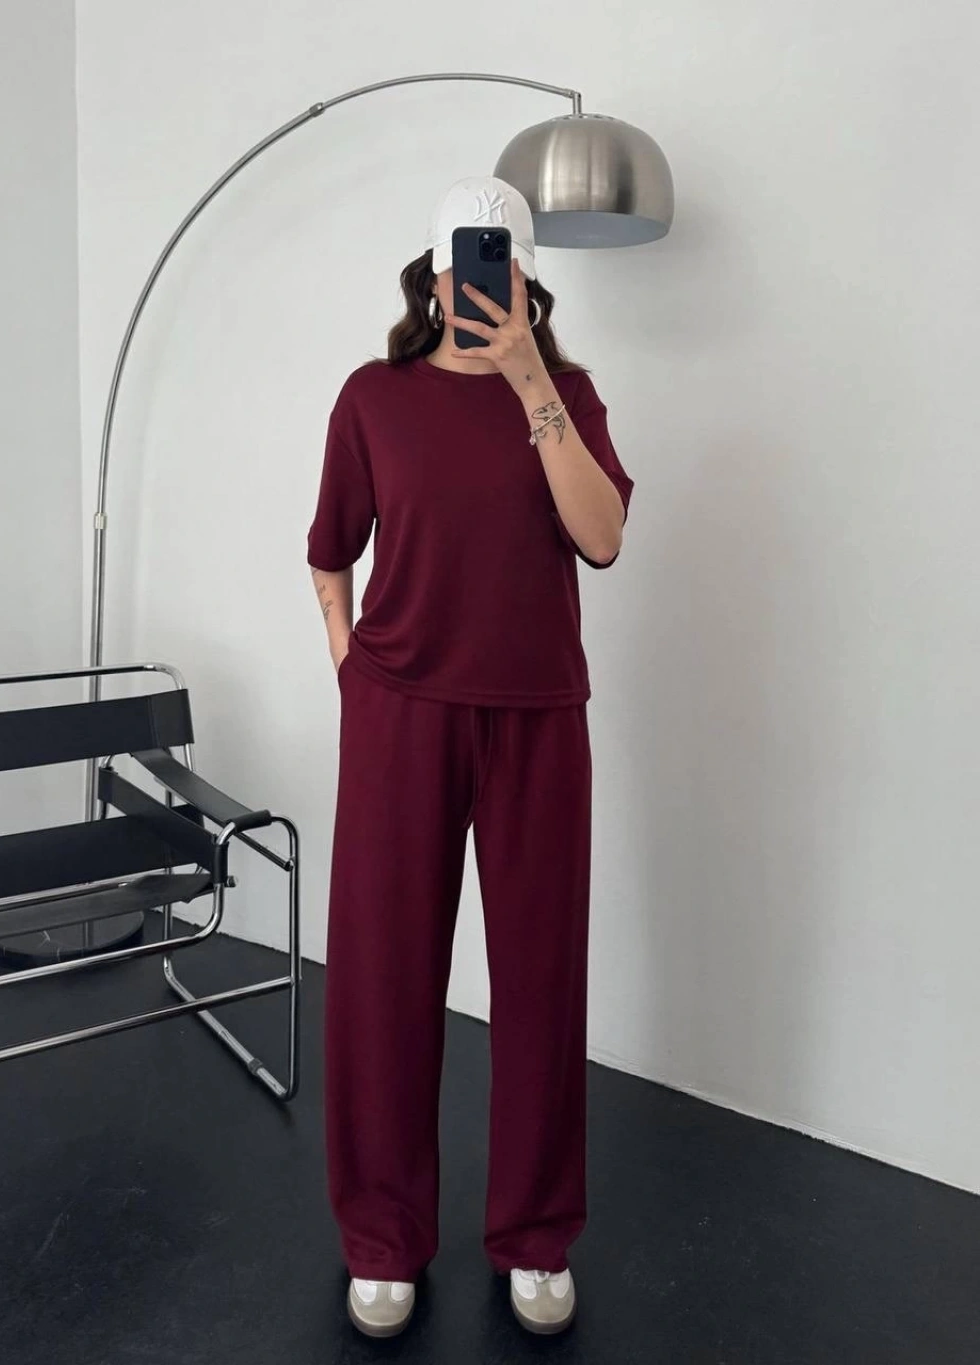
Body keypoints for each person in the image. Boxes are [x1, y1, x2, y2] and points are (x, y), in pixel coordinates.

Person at [306, 175, 634, 1339]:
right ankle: (382, 1237)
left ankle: (535, 1236)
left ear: (525, 280)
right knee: (384, 978)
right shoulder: (374, 397)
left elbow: (601, 537)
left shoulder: (568, 394)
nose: (474, 288)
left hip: (537, 716)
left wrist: (531, 381)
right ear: (431, 276)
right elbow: (330, 553)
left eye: (497, 266)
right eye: (458, 266)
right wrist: (353, 672)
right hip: (400, 716)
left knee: (542, 981)